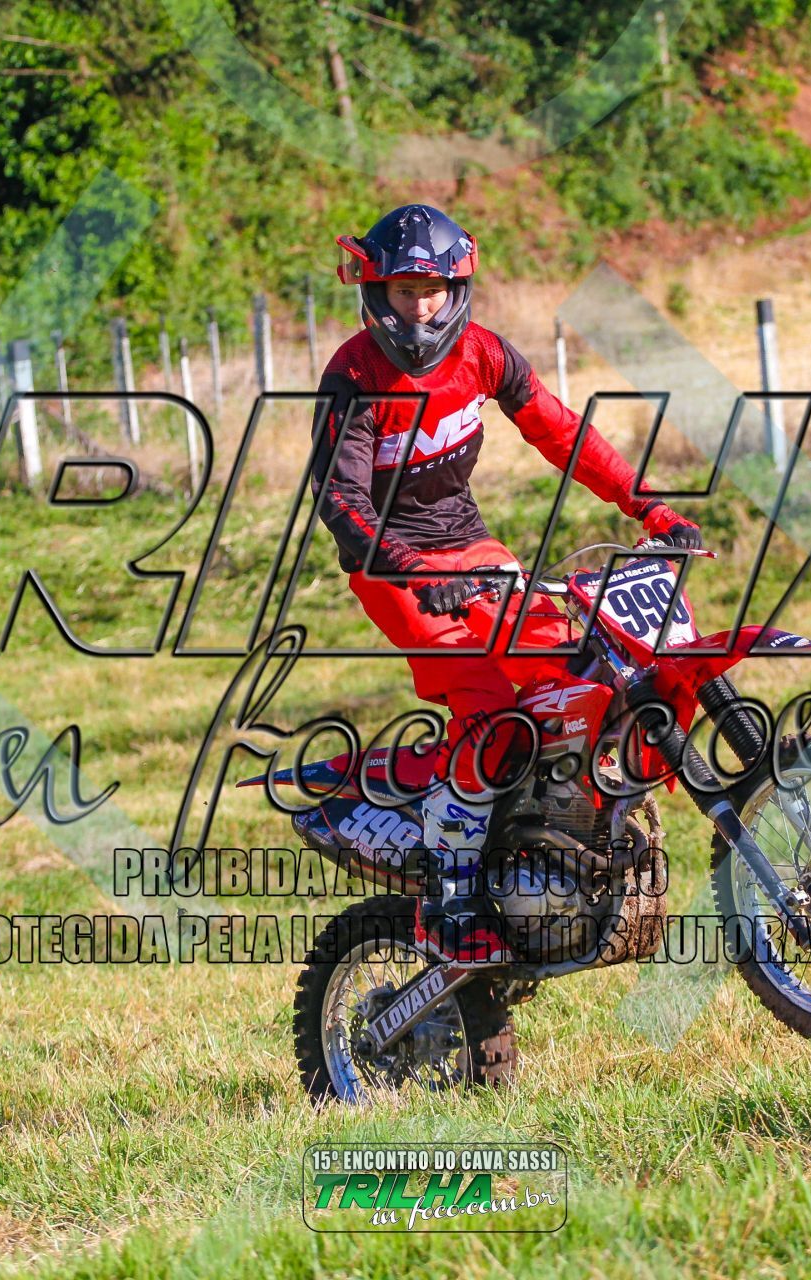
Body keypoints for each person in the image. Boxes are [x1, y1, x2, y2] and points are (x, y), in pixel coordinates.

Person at [311, 203, 702, 965]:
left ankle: (560, 835)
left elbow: (562, 432)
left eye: (431, 292)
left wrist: (650, 507)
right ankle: (450, 900)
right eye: (402, 292)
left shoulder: (485, 354)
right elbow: (341, 500)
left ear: (456, 291)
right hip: (392, 571)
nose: (418, 310)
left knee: (575, 671)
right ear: (375, 290)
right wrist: (413, 572)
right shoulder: (352, 374)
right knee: (490, 711)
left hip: (473, 548)